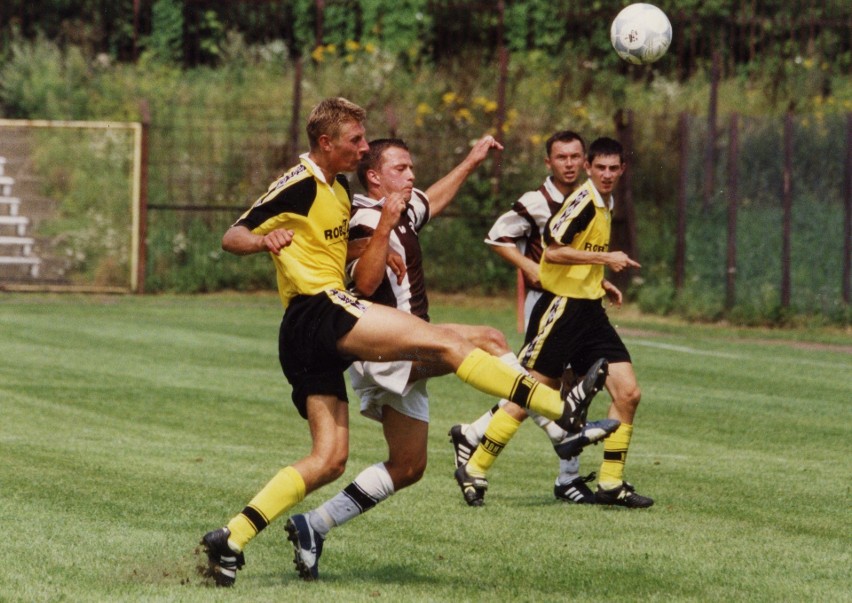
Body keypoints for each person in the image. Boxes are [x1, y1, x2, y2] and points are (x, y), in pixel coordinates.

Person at [198, 97, 601, 588]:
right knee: (450, 345)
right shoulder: (300, 182)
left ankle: (232, 537)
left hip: (308, 330)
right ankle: (561, 408)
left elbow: (336, 244)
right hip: (318, 309)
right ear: (326, 143)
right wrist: (264, 241)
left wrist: (368, 246)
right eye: (355, 141)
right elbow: (232, 234)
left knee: (332, 459)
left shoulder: (340, 189)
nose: (363, 148)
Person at [452, 136, 653, 509]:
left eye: (614, 168)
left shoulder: (602, 201)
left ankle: (610, 483)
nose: (607, 174)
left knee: (628, 394)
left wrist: (600, 281)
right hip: (561, 311)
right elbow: (555, 250)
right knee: (530, 393)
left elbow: (581, 254)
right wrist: (607, 259)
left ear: (622, 170)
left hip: (590, 310)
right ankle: (475, 465)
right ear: (591, 169)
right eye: (601, 168)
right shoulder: (582, 202)